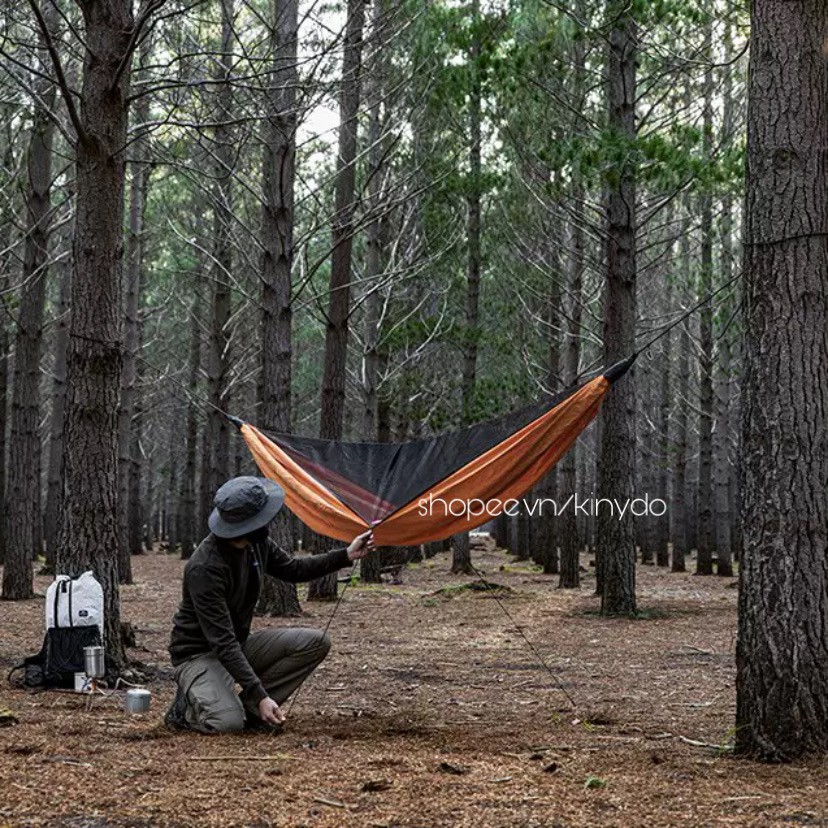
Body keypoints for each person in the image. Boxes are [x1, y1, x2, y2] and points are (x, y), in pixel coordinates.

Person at [165, 475, 373, 733]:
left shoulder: (257, 543)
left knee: (314, 642)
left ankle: (253, 711)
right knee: (226, 724)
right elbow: (221, 640)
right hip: (198, 656)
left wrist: (345, 555)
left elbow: (293, 569)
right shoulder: (204, 567)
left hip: (236, 647)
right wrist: (260, 692)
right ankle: (186, 711)